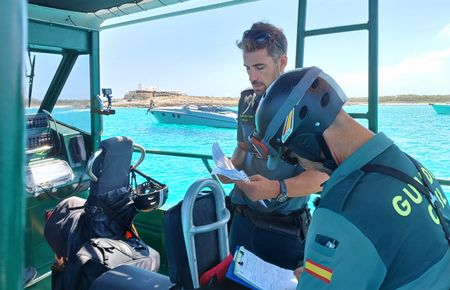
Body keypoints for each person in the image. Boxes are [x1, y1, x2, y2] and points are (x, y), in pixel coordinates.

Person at [251, 66, 450, 289]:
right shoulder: (411, 166)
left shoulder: (340, 214)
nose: (299, 164)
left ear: (303, 141)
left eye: (291, 156)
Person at [218, 22, 329, 270]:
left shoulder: (305, 108)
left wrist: (275, 188)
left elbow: (322, 177)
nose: (252, 76)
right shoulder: (246, 99)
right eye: (247, 67)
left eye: (259, 67)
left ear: (281, 63)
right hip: (241, 220)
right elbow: (242, 150)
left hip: (283, 230)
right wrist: (229, 167)